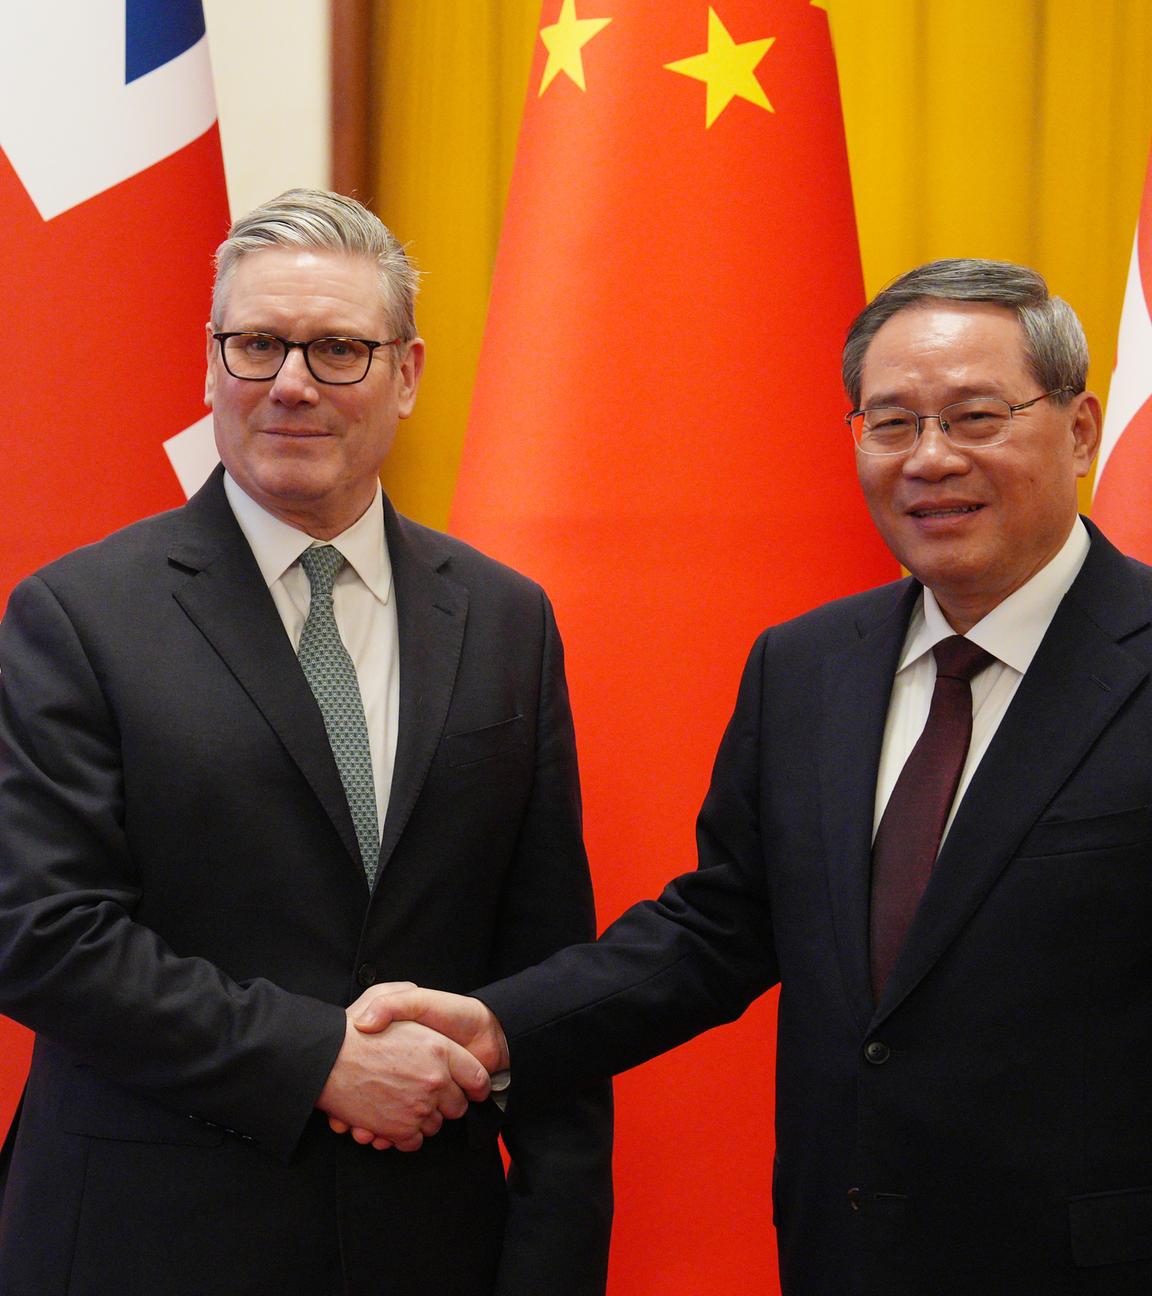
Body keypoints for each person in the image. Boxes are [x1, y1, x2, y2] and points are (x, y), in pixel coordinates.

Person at [348, 259, 1152, 1295]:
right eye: (892, 423)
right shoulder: (807, 666)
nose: (932, 459)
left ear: (1081, 429)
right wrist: (504, 1026)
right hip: (842, 1254)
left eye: (976, 416)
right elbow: (721, 927)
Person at [0, 188, 612, 1296]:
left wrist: (558, 1248)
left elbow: (548, 964)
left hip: (431, 1243)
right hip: (152, 1242)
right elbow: (40, 934)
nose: (289, 383)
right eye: (256, 345)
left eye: (338, 348)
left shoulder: (505, 618)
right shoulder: (78, 615)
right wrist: (318, 1059)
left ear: (409, 373)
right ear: (209, 363)